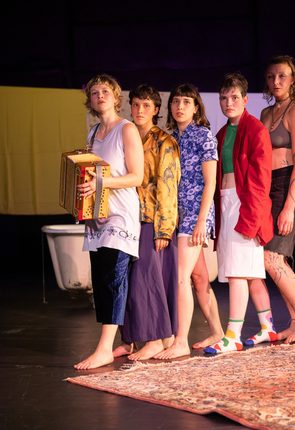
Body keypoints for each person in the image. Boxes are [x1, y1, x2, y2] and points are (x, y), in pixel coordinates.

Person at [246, 56, 295, 345]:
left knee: (271, 258)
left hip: (289, 185)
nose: (276, 82)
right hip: (267, 188)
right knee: (277, 259)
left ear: (293, 80)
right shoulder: (266, 113)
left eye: (282, 76)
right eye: (271, 76)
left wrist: (289, 206)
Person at [74, 74, 144, 369]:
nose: (100, 96)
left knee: (115, 279)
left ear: (116, 98)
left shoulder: (126, 129)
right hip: (98, 217)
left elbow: (137, 176)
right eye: (94, 92)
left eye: (105, 91)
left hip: (121, 215)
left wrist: (100, 182)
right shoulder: (93, 133)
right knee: (102, 281)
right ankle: (120, 342)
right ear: (89, 100)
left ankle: (104, 349)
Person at [204, 72, 273, 354]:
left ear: (245, 99)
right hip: (226, 202)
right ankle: (267, 327)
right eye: (224, 98)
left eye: (234, 97)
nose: (228, 102)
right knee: (250, 272)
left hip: (245, 205)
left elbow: (260, 181)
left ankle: (232, 336)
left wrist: (250, 219)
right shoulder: (221, 134)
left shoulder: (256, 130)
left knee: (237, 272)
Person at [110, 85, 181, 360]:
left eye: (146, 106)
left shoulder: (164, 142)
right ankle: (129, 340)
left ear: (156, 110)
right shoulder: (125, 135)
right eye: (136, 105)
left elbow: (168, 187)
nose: (140, 110)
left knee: (146, 281)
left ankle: (155, 339)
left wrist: (164, 228)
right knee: (125, 280)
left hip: (152, 220)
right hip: (126, 216)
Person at [153, 84, 223, 359]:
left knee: (181, 276)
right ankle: (217, 331)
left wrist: (201, 221)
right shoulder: (169, 138)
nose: (180, 106)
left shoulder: (203, 136)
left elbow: (210, 183)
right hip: (175, 213)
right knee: (198, 276)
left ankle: (180, 340)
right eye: (175, 101)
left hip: (195, 213)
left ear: (196, 107)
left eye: (186, 102)